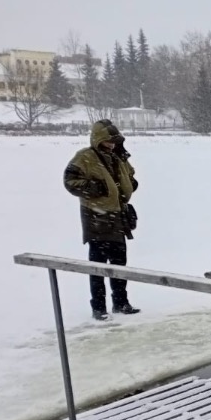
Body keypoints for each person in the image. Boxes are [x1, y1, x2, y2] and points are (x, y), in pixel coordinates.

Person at [63, 119, 140, 320]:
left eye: (115, 140)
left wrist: (130, 184)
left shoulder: (118, 157)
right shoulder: (85, 157)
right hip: (96, 218)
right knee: (97, 267)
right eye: (108, 140)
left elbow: (130, 175)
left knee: (119, 264)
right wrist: (96, 189)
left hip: (117, 217)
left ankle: (121, 303)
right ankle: (99, 308)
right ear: (98, 139)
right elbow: (69, 181)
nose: (112, 144)